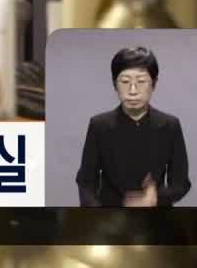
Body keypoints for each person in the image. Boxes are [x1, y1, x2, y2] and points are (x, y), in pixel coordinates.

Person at [75, 46, 190, 207]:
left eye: (141, 82)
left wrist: (156, 197)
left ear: (154, 83)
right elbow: (86, 183)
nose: (133, 91)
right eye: (125, 82)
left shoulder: (170, 125)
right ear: (115, 84)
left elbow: (181, 183)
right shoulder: (99, 125)